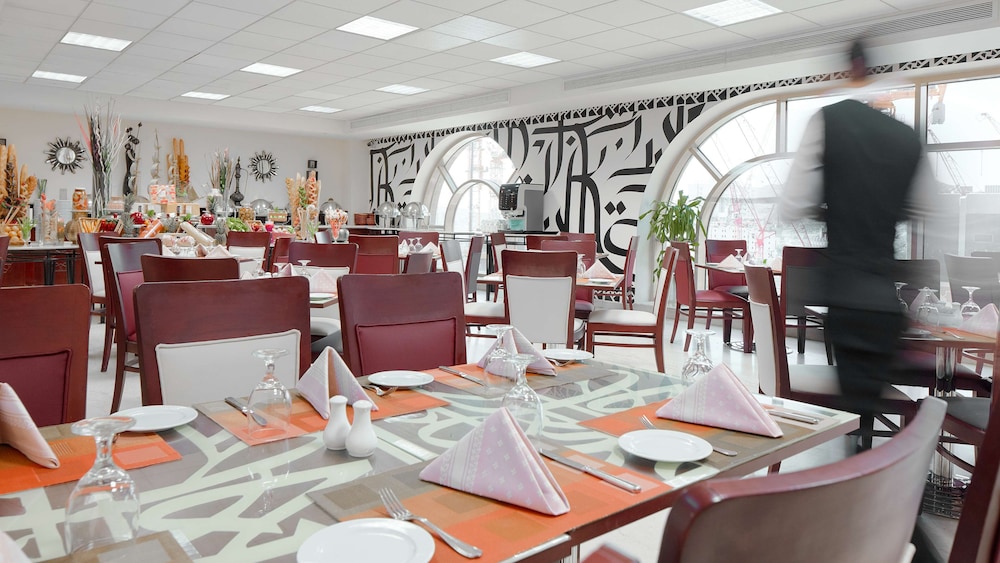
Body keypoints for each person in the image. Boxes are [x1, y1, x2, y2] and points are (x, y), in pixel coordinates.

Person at [780, 39, 936, 449]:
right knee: (870, 401)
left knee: (855, 409)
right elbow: (929, 209)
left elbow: (792, 204)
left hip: (845, 294)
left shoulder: (828, 121)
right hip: (885, 301)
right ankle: (876, 461)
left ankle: (858, 461)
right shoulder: (906, 137)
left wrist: (828, 205)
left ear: (851, 69)